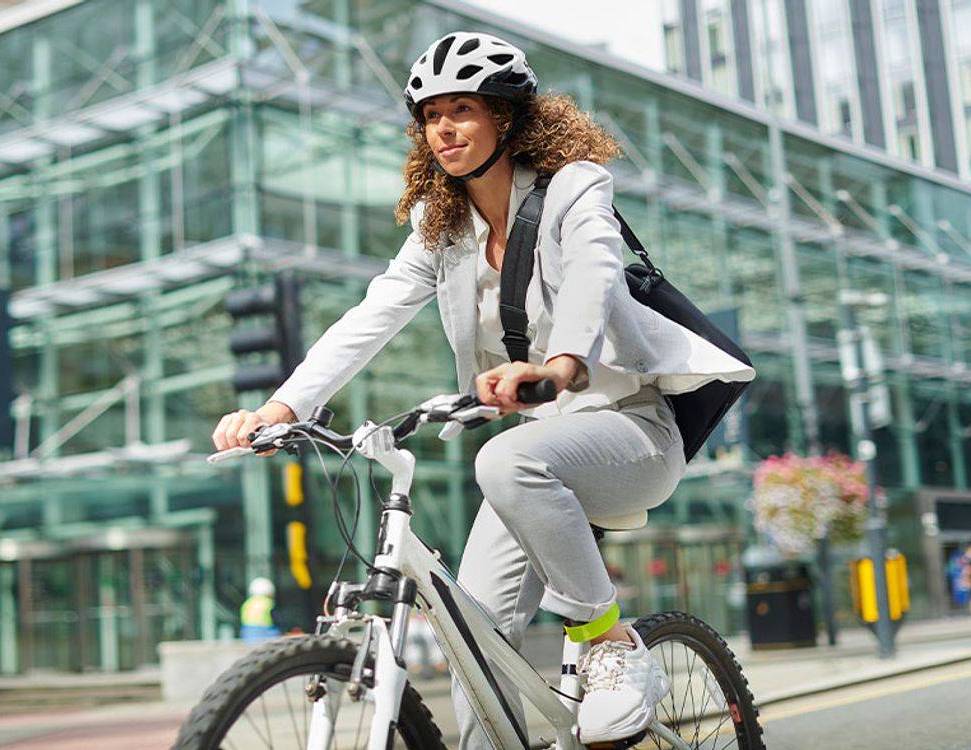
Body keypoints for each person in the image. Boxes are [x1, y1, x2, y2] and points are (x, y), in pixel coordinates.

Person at [210, 31, 754, 746]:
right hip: (538, 456)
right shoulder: (443, 228)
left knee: (502, 459)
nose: (444, 128)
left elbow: (593, 272)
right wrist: (281, 407)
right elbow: (370, 315)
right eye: (430, 115)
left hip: (630, 432)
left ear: (505, 117)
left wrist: (561, 366)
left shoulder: (573, 187)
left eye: (462, 108)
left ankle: (609, 642)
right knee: (476, 650)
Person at [239, 577, 280, 644]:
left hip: (248, 634)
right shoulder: (268, 602)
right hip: (265, 632)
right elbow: (276, 619)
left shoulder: (247, 603)